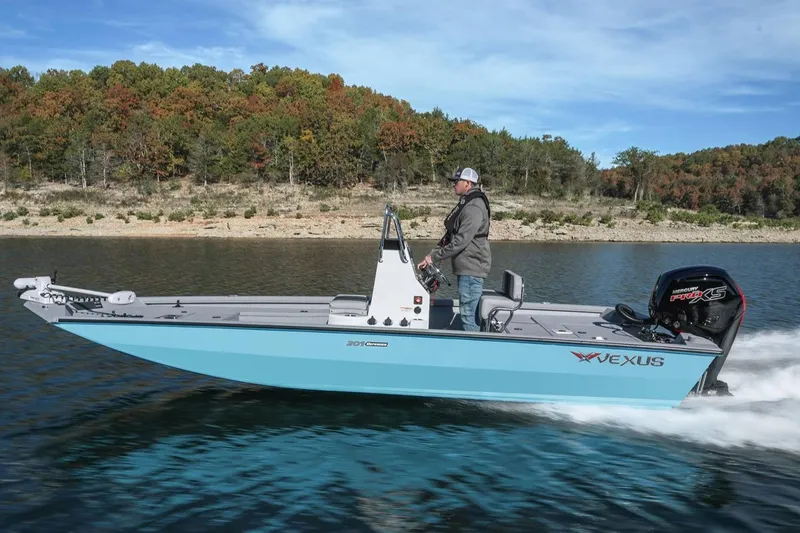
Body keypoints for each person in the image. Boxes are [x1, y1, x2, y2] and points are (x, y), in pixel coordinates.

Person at [417, 167, 491, 331]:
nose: (453, 185)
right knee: (468, 314)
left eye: (456, 182)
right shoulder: (467, 203)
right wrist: (431, 256)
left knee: (468, 317)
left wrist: (436, 257)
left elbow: (460, 241)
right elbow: (450, 236)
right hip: (467, 268)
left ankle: (473, 352)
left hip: (472, 268)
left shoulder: (474, 207)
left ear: (468, 183)